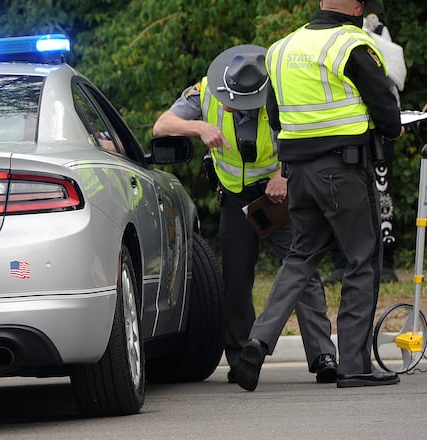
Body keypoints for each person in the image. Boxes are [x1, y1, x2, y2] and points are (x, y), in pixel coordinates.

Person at [235, 0, 403, 391]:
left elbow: (276, 118)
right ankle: (355, 366)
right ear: (358, 8)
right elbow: (388, 117)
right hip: (342, 171)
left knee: (300, 257)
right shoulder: (351, 44)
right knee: (361, 259)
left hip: (298, 173)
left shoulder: (281, 48)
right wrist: (390, 132)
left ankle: (258, 341)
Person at [152, 45, 337, 384]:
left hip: (277, 197)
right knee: (236, 280)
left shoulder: (284, 91)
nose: (230, 105)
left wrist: (284, 175)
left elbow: (307, 136)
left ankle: (323, 355)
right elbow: (162, 126)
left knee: (303, 273)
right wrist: (199, 129)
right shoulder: (206, 90)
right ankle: (241, 359)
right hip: (235, 199)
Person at [322, 0, 407, 285]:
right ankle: (341, 262)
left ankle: (386, 263)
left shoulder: (371, 34)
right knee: (337, 198)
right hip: (341, 134)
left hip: (379, 130)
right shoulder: (325, 40)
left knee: (382, 194)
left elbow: (393, 72)